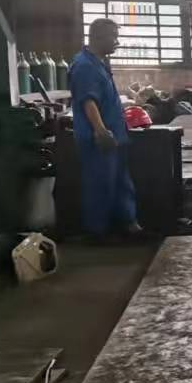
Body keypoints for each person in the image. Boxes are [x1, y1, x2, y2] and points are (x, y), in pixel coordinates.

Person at [68, 17, 142, 240]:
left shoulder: (99, 62)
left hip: (114, 135)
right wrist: (100, 130)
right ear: (98, 37)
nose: (117, 42)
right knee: (100, 184)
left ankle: (129, 225)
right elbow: (88, 101)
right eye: (113, 37)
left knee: (120, 182)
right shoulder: (84, 66)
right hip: (99, 138)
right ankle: (97, 233)